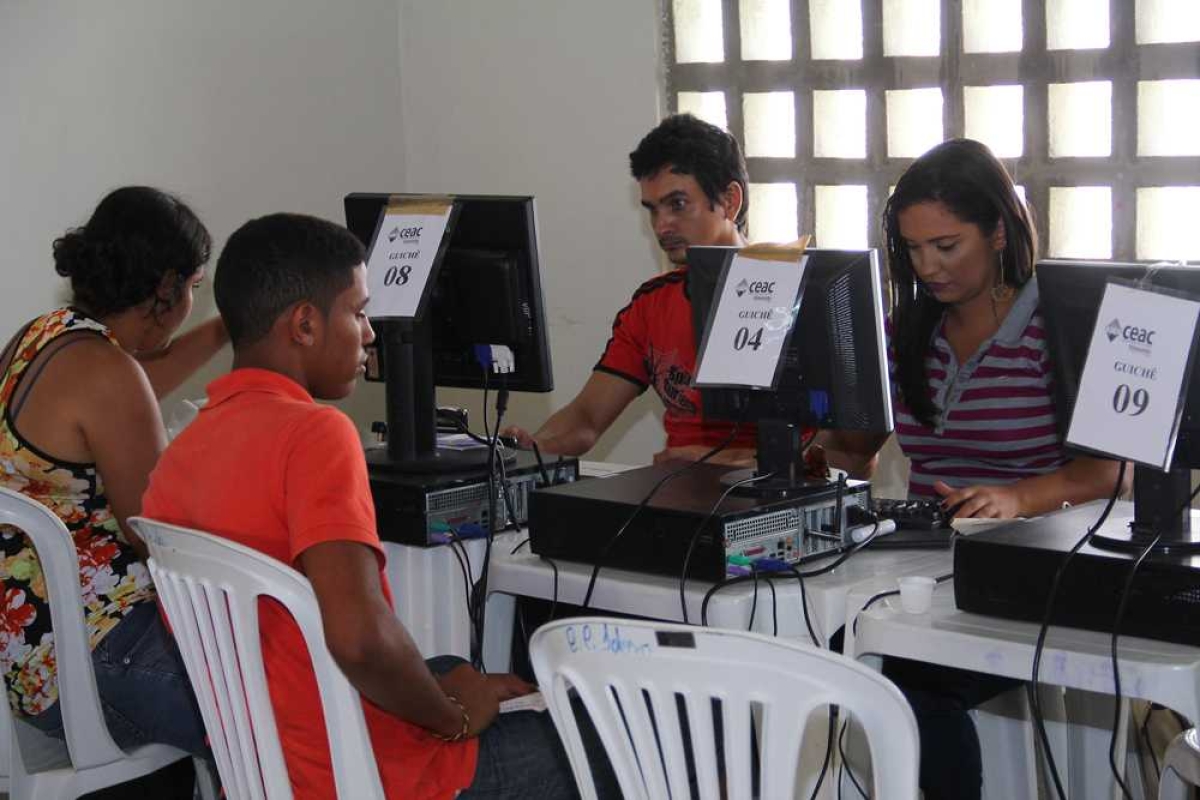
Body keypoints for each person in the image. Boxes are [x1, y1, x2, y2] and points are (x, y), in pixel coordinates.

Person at [142, 213, 615, 800]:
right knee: (634, 734)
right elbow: (360, 642)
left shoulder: (181, 450)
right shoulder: (316, 434)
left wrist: (448, 689)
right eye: (359, 312)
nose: (371, 333)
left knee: (451, 666)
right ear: (306, 324)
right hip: (367, 775)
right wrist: (453, 719)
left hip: (271, 763)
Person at [823, 139, 1128, 799]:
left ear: (997, 231)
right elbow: (855, 451)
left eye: (946, 245)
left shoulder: (1058, 324)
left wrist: (1018, 497)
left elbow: (1115, 473)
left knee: (908, 684)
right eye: (912, 248)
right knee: (820, 646)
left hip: (1034, 571)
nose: (927, 266)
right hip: (922, 570)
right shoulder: (909, 331)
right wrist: (801, 412)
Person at [0, 186, 225, 757]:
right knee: (286, 709)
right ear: (166, 286)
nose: (193, 303)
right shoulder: (108, 372)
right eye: (194, 289)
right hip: (98, 658)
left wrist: (227, 330)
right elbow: (158, 537)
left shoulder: (44, 336)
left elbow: (138, 384)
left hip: (33, 654)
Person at [504, 113, 759, 466]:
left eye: (678, 204)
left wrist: (731, 462)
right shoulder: (651, 305)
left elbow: (847, 452)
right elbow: (587, 418)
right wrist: (533, 448)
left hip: (776, 508)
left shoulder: (795, 294)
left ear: (730, 201)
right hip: (681, 500)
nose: (662, 225)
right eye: (652, 210)